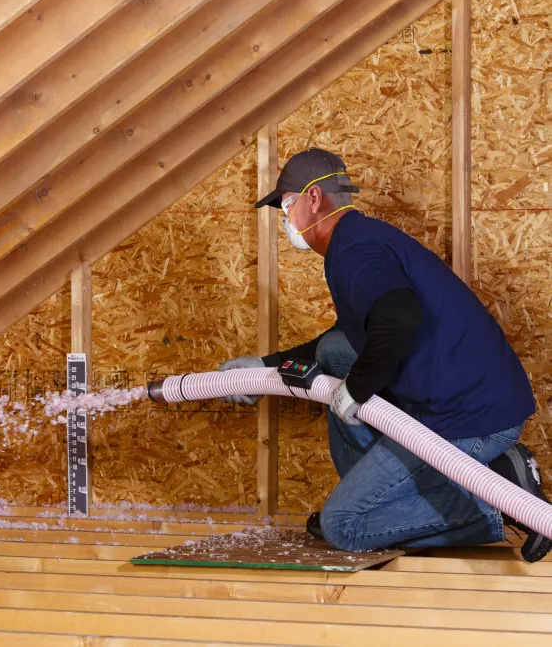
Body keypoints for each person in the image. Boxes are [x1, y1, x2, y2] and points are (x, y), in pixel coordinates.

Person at [220, 147, 551, 562]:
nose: (285, 219)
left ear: (314, 198)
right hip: (462, 401)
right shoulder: (358, 240)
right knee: (335, 351)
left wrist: (357, 389)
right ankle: (388, 504)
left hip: (473, 419)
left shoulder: (354, 250)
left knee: (345, 527)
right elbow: (346, 338)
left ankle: (505, 502)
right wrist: (264, 366)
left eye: (285, 206)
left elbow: (399, 318)